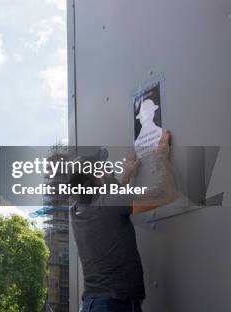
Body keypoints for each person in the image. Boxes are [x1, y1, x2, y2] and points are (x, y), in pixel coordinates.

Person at [70, 129, 179, 312]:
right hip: (113, 305)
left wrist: (126, 174)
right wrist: (161, 158)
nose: (107, 168)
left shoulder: (76, 211)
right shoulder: (108, 202)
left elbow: (112, 203)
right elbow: (167, 194)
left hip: (93, 304)